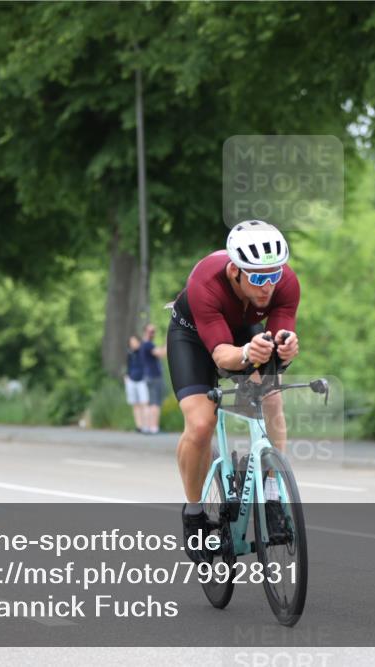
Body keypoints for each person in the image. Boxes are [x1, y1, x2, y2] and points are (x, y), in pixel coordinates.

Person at [166, 220, 300, 562]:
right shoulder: (206, 281)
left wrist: (284, 350)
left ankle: (272, 494)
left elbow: (278, 339)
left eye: (273, 275)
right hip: (194, 338)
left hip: (242, 330)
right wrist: (246, 354)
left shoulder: (285, 283)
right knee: (201, 424)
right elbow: (221, 356)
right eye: (257, 278)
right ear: (234, 271)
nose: (267, 287)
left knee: (271, 397)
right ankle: (194, 513)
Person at [139, 324, 167, 434]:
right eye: (151, 331)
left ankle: (148, 427)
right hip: (154, 376)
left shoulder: (143, 344)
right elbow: (161, 353)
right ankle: (154, 427)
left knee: (150, 402)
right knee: (155, 403)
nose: (153, 334)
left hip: (148, 376)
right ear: (145, 332)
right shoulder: (148, 344)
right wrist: (168, 341)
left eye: (154, 331)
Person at [124, 335, 149, 433]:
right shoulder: (130, 353)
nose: (133, 344)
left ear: (139, 342)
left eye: (134, 342)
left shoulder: (143, 351)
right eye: (131, 343)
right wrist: (126, 376)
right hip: (131, 380)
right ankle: (139, 426)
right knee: (135, 404)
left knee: (144, 403)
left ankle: (147, 426)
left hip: (142, 380)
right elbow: (128, 366)